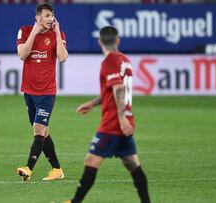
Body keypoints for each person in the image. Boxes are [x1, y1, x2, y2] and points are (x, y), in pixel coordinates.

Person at [65, 26, 151, 203]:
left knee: (91, 161)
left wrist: (121, 119)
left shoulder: (109, 61)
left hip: (113, 123)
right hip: (124, 121)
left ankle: (74, 202)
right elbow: (113, 91)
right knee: (133, 165)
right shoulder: (124, 60)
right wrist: (93, 103)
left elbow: (119, 89)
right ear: (117, 40)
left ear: (99, 42)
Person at [15, 2, 68, 181]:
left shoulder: (57, 35)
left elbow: (62, 57)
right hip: (29, 91)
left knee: (38, 130)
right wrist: (34, 32)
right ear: (37, 18)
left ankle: (28, 168)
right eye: (46, 16)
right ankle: (57, 169)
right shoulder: (24, 30)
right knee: (43, 132)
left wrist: (58, 33)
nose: (50, 19)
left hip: (47, 92)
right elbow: (22, 55)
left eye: (52, 16)